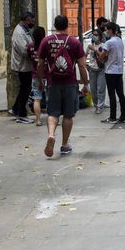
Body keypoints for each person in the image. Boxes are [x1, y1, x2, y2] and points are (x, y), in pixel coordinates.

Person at [37, 14, 88, 158]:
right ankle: (64, 145)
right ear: (67, 25)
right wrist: (86, 84)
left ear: (54, 25)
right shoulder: (74, 42)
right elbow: (82, 66)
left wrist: (40, 81)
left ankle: (51, 135)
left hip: (53, 82)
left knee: (52, 113)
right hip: (70, 83)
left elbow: (40, 64)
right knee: (68, 115)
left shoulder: (46, 41)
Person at [9, 9, 36, 121]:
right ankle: (21, 114)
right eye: (32, 21)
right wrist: (33, 52)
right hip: (22, 65)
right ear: (27, 20)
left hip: (25, 65)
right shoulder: (19, 32)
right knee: (26, 89)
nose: (32, 23)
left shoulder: (23, 30)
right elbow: (24, 50)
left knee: (24, 88)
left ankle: (16, 109)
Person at [100, 20, 125, 123]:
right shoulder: (120, 40)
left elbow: (103, 55)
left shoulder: (109, 42)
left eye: (107, 30)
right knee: (120, 94)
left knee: (111, 94)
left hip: (110, 71)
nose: (106, 32)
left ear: (111, 30)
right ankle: (123, 116)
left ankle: (112, 117)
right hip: (119, 70)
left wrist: (101, 58)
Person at [86, 17, 107, 114]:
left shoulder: (103, 45)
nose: (94, 37)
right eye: (93, 35)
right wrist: (86, 65)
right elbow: (84, 56)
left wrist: (95, 50)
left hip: (101, 69)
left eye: (96, 35)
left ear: (100, 36)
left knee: (100, 89)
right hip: (92, 69)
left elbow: (104, 57)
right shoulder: (89, 46)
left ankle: (100, 106)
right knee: (93, 89)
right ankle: (96, 104)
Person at [27, 24, 46, 126]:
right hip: (47, 76)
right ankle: (54, 119)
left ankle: (38, 120)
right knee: (50, 98)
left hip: (35, 75)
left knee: (36, 99)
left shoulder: (30, 47)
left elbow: (29, 57)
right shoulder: (46, 46)